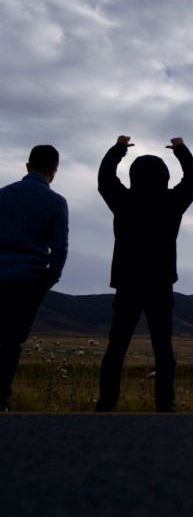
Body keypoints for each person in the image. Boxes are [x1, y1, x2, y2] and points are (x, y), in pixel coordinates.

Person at [95, 135, 193, 413]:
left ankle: (106, 404)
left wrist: (118, 149)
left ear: (133, 177)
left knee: (117, 348)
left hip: (128, 283)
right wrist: (181, 150)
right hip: (160, 284)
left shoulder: (124, 201)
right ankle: (165, 406)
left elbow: (105, 178)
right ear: (165, 177)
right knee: (163, 349)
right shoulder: (172, 202)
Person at [0, 145, 69, 411]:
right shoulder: (55, 202)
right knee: (11, 341)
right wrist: (49, 279)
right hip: (28, 280)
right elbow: (60, 248)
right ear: (54, 170)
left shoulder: (3, 195)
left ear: (27, 166)